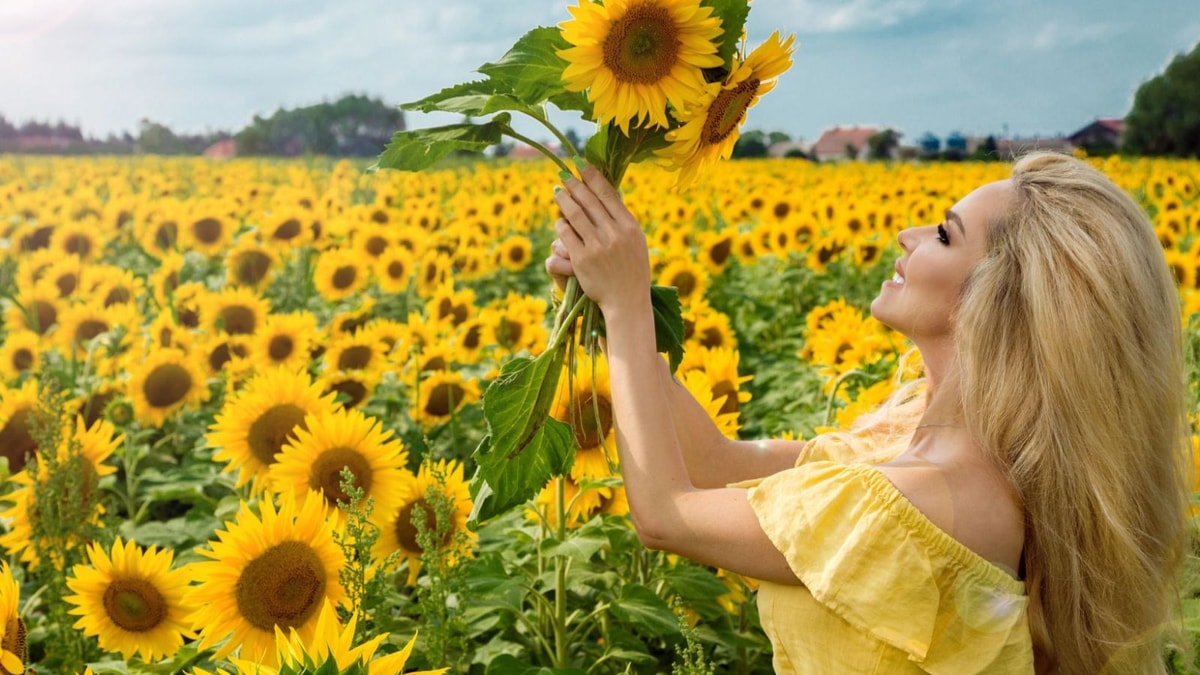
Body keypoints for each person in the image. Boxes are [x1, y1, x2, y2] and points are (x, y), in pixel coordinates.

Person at [546, 151, 1192, 675]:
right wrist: (606, 312)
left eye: (944, 234)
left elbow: (668, 515)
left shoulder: (929, 504)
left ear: (997, 303)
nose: (908, 236)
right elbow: (715, 463)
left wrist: (628, 306)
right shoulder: (916, 449)